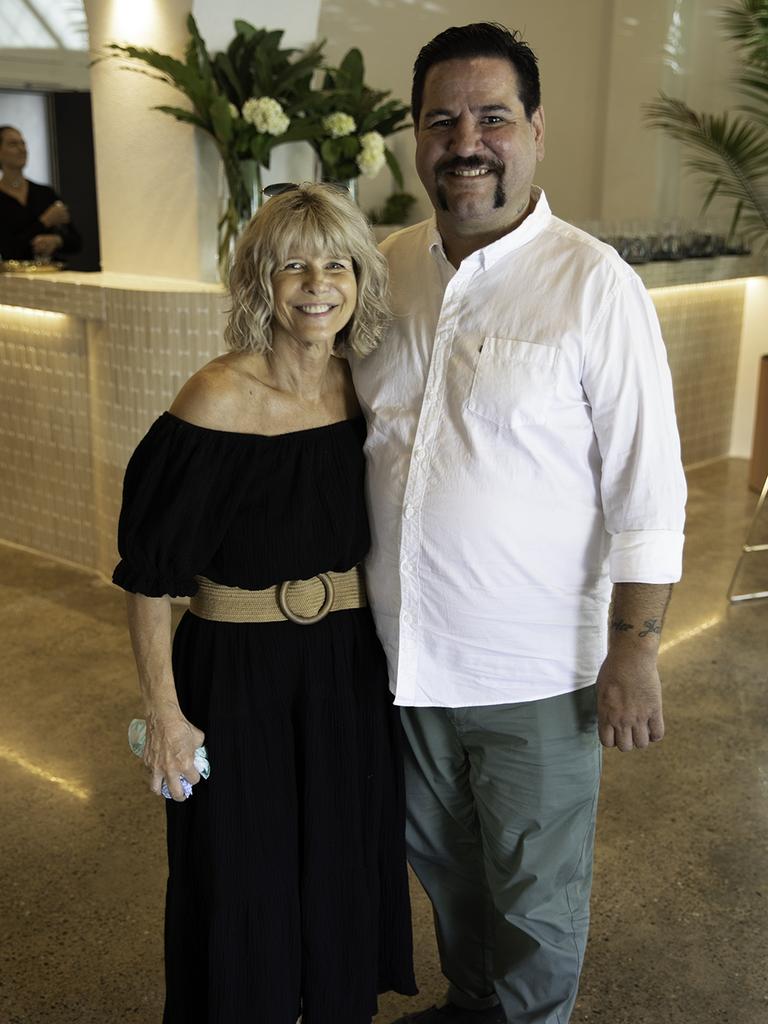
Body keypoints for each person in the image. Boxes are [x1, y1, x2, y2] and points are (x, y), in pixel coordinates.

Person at [350, 22, 687, 1024]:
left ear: (536, 131)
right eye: (442, 119)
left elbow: (649, 488)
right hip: (407, 662)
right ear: (416, 137)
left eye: (493, 116)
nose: (468, 140)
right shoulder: (384, 271)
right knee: (448, 870)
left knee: (536, 902)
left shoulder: (594, 285)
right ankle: (475, 1004)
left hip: (536, 672)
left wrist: (635, 650)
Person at [113, 183, 416, 1024]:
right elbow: (148, 577)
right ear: (260, 283)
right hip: (237, 674)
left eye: (336, 264)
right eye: (293, 265)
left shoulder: (362, 389)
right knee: (241, 876)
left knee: (341, 862)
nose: (318, 284)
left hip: (347, 667)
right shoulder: (215, 398)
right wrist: (165, 714)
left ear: (359, 279)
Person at [0, 124, 81, 261]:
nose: (22, 149)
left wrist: (56, 241)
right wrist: (44, 222)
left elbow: (76, 241)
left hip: (49, 274)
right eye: (13, 144)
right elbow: (8, 249)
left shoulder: (45, 193)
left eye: (23, 143)